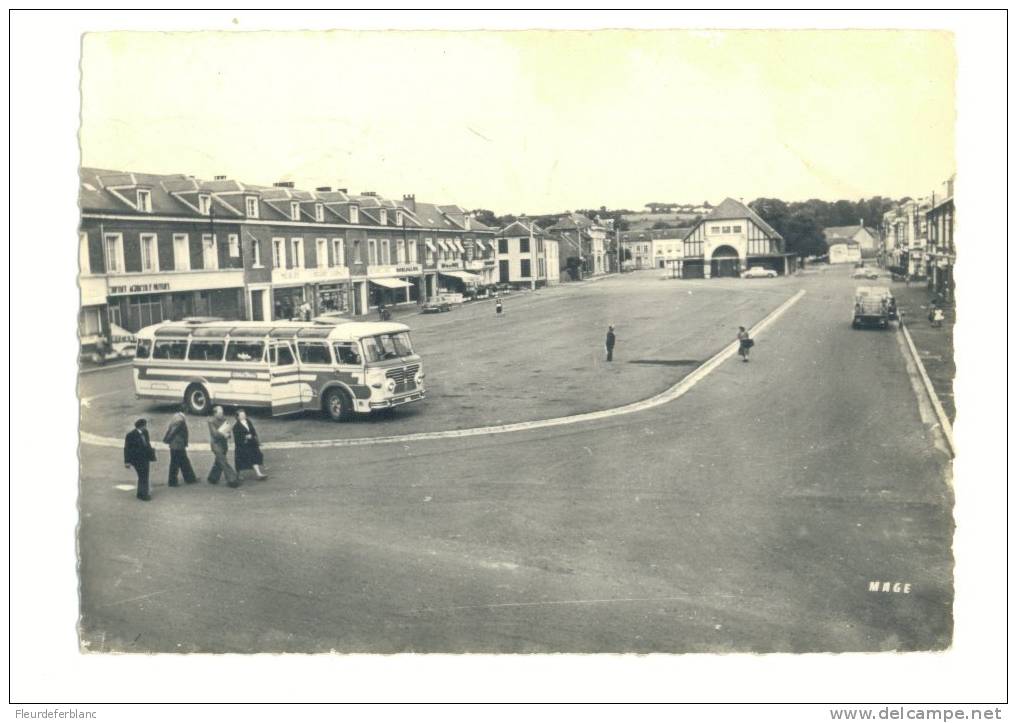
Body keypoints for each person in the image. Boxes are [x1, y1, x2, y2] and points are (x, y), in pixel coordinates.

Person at [123, 418, 156, 501]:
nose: (146, 427)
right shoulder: (130, 435)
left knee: (144, 476)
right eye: (145, 425)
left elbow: (147, 444)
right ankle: (144, 494)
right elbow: (127, 448)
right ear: (141, 426)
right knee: (143, 476)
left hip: (145, 457)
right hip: (137, 459)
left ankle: (141, 493)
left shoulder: (145, 432)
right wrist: (127, 461)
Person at [163, 408, 197, 486]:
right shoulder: (180, 420)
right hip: (177, 445)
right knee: (176, 463)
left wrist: (167, 439)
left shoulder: (176, 417)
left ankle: (190, 478)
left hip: (176, 445)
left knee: (183, 461)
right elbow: (173, 431)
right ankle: (173, 481)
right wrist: (167, 439)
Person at [207, 406, 239, 487]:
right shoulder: (211, 421)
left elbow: (228, 433)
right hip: (216, 445)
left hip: (223, 445)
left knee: (219, 461)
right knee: (223, 462)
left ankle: (212, 478)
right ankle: (232, 480)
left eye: (222, 412)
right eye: (220, 413)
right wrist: (224, 434)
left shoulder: (224, 420)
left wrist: (228, 435)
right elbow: (214, 434)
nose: (222, 414)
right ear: (215, 413)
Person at [232, 409, 268, 480]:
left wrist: (256, 439)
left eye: (244, 414)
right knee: (240, 462)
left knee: (254, 457)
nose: (244, 415)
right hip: (242, 446)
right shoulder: (236, 426)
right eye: (242, 415)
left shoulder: (248, 421)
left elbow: (253, 430)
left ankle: (259, 474)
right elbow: (237, 438)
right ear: (238, 417)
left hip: (251, 444)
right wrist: (245, 437)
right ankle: (238, 475)